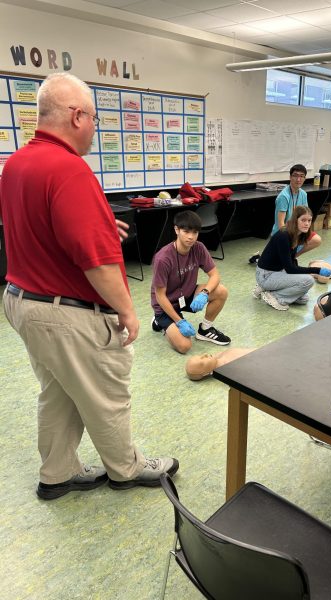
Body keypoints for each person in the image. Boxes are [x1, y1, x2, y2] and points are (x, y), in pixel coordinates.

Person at [0, 72, 178, 500]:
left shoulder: (17, 163)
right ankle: (126, 469)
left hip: (22, 300)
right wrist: (129, 311)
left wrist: (97, 224)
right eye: (94, 119)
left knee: (60, 391)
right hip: (66, 311)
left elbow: (40, 225)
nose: (96, 128)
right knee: (107, 394)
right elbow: (96, 262)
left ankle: (56, 474)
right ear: (77, 115)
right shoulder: (69, 168)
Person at [151, 210, 231, 354]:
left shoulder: (198, 248)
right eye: (186, 231)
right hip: (166, 305)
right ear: (176, 230)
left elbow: (215, 275)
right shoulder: (163, 258)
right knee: (184, 346)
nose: (191, 237)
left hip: (186, 295)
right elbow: (160, 296)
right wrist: (179, 322)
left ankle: (205, 329)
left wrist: (205, 293)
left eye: (195, 232)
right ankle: (161, 323)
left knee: (221, 291)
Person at [253, 206, 331, 311]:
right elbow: (290, 269)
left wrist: (310, 272)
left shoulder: (297, 234)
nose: (307, 224)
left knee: (303, 299)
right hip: (265, 275)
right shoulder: (284, 235)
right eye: (303, 220)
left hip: (277, 271)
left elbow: (292, 263)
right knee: (308, 281)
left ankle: (268, 290)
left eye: (309, 220)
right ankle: (275, 297)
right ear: (296, 220)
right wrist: (317, 270)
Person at [248, 164, 321, 264]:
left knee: (316, 240)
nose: (298, 179)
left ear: (305, 178)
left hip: (298, 231)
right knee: (273, 262)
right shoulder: (283, 196)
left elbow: (307, 216)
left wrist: (306, 232)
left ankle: (292, 257)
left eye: (302, 176)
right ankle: (258, 258)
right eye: (295, 175)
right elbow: (281, 224)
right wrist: (292, 238)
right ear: (290, 177)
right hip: (284, 233)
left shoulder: (303, 194)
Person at [185, 348, 255, 380]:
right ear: (206, 373)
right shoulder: (225, 370)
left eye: (200, 356)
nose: (205, 355)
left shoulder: (217, 358)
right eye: (202, 363)